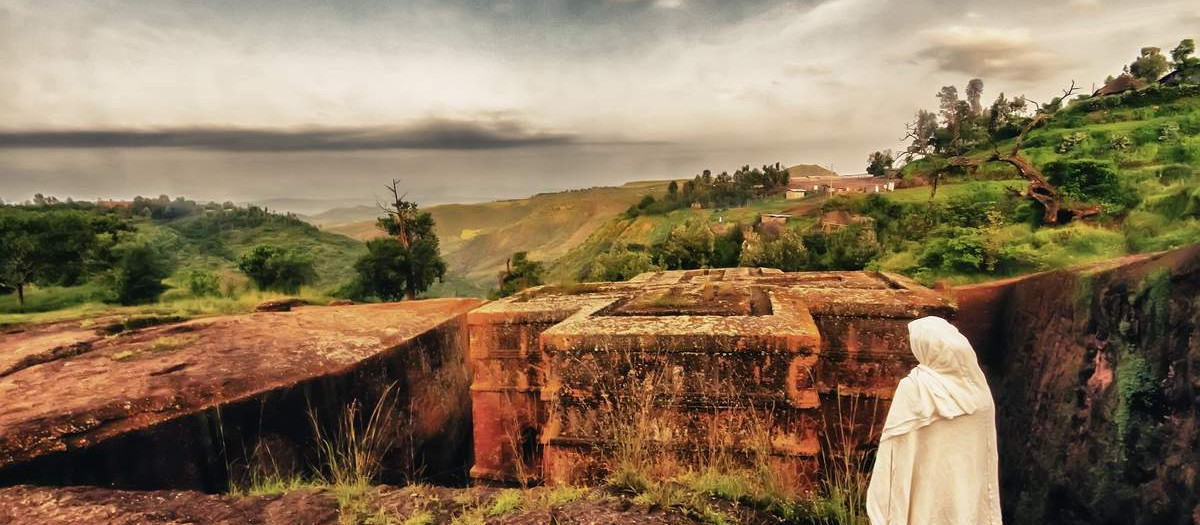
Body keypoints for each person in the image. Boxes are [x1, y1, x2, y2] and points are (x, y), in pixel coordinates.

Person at [866, 316, 1002, 525]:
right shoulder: (979, 394)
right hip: (965, 503)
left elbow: (893, 453)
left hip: (923, 499)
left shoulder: (915, 388)